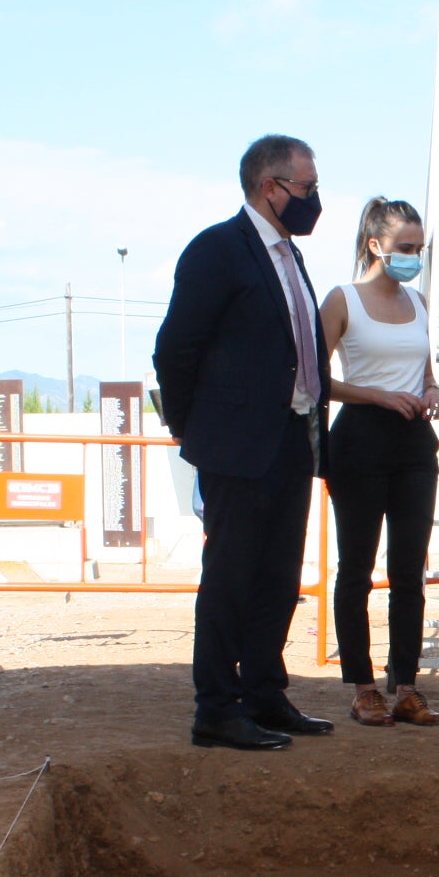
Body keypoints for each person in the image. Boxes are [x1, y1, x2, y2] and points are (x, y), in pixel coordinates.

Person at [154, 133, 336, 751]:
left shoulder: (290, 255)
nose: (315, 199)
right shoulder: (217, 250)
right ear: (271, 187)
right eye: (307, 188)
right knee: (231, 576)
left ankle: (264, 691)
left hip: (290, 438)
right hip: (236, 446)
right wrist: (194, 429)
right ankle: (217, 707)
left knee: (279, 576)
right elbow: (175, 349)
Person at [318, 196, 439, 727]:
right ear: (375, 245)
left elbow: (425, 367)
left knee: (408, 571)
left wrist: (434, 388)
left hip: (415, 443)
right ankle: (363, 687)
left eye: (419, 247)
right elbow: (314, 378)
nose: (414, 255)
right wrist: (374, 395)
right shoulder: (341, 298)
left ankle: (408, 686)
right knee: (356, 569)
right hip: (359, 441)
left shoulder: (418, 302)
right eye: (405, 246)